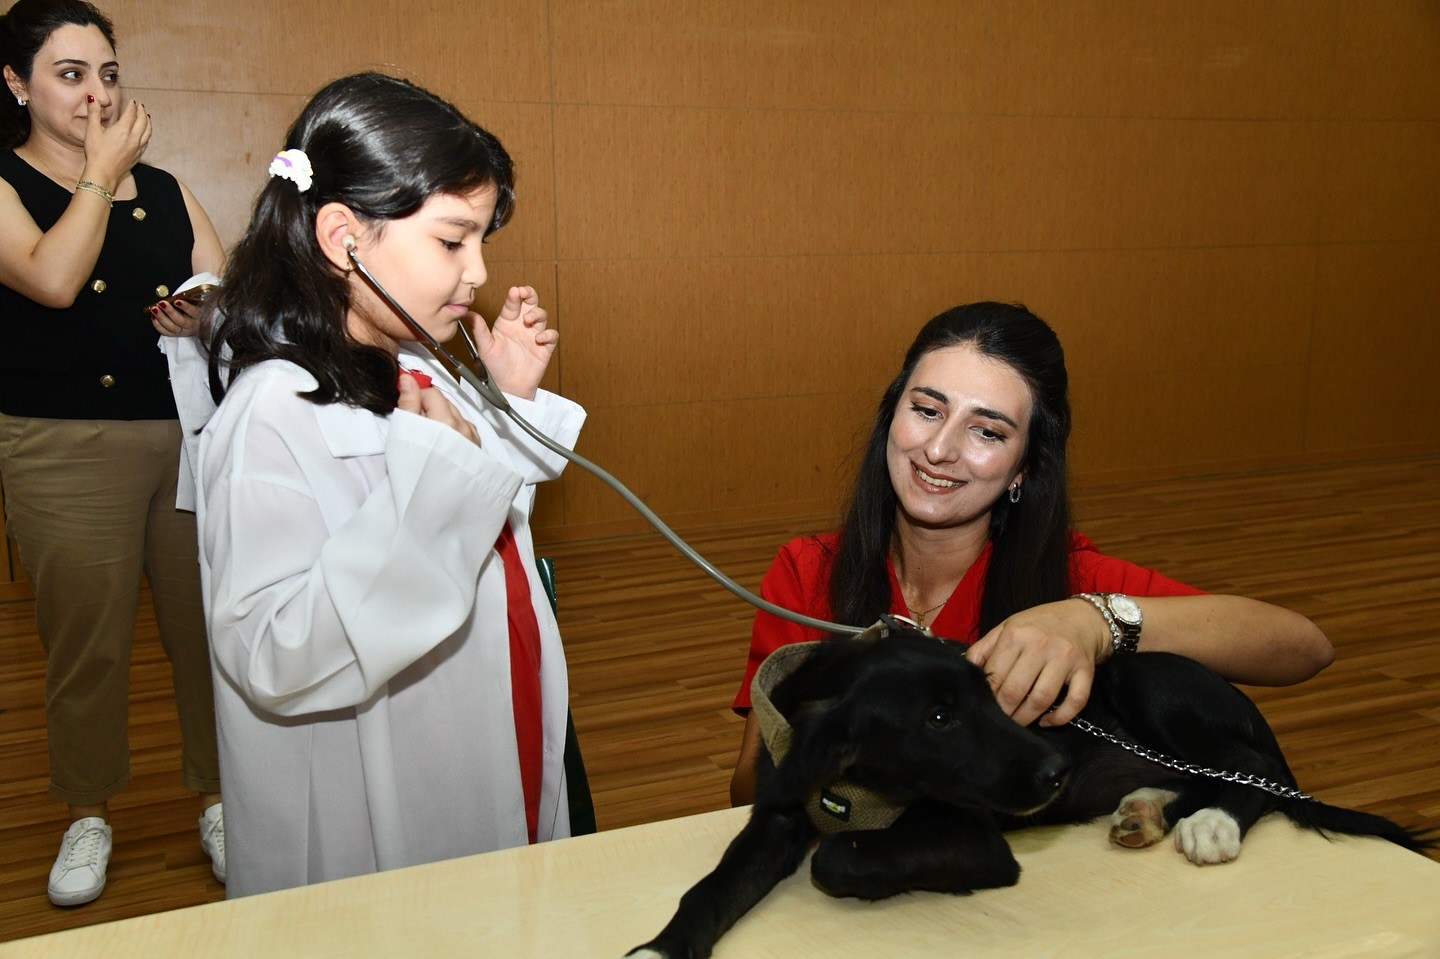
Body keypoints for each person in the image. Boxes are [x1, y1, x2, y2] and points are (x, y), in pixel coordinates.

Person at [190, 72, 585, 898]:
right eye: (452, 241)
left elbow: (475, 541)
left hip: (480, 723)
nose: (476, 271)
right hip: (367, 798)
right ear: (344, 236)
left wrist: (503, 408)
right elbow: (272, 653)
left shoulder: (403, 371)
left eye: (481, 240)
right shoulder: (270, 412)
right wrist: (434, 495)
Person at [730, 302, 1334, 805]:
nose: (939, 449)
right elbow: (748, 789)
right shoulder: (808, 572)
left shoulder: (1070, 580)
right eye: (926, 409)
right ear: (891, 415)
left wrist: (1095, 621)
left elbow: (1303, 647)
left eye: (987, 431)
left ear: (1024, 469)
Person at [0, 0, 225, 906]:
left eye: (108, 73)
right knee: (85, 644)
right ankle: (87, 810)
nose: (96, 93)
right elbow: (52, 278)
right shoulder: (7, 184)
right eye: (69, 74)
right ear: (16, 84)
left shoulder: (166, 188)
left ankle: (221, 796)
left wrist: (204, 313)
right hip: (58, 443)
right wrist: (99, 172)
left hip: (180, 434)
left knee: (205, 631)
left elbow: (223, 286)